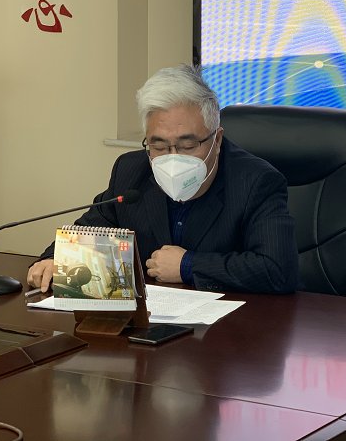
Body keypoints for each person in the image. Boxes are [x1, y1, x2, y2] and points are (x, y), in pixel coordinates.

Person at [27, 64, 299, 294]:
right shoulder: (131, 170)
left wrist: (188, 265)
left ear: (216, 140)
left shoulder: (256, 181)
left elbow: (277, 270)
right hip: (151, 323)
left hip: (232, 328)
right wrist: (54, 259)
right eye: (158, 146)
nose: (173, 157)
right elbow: (89, 231)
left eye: (187, 145)